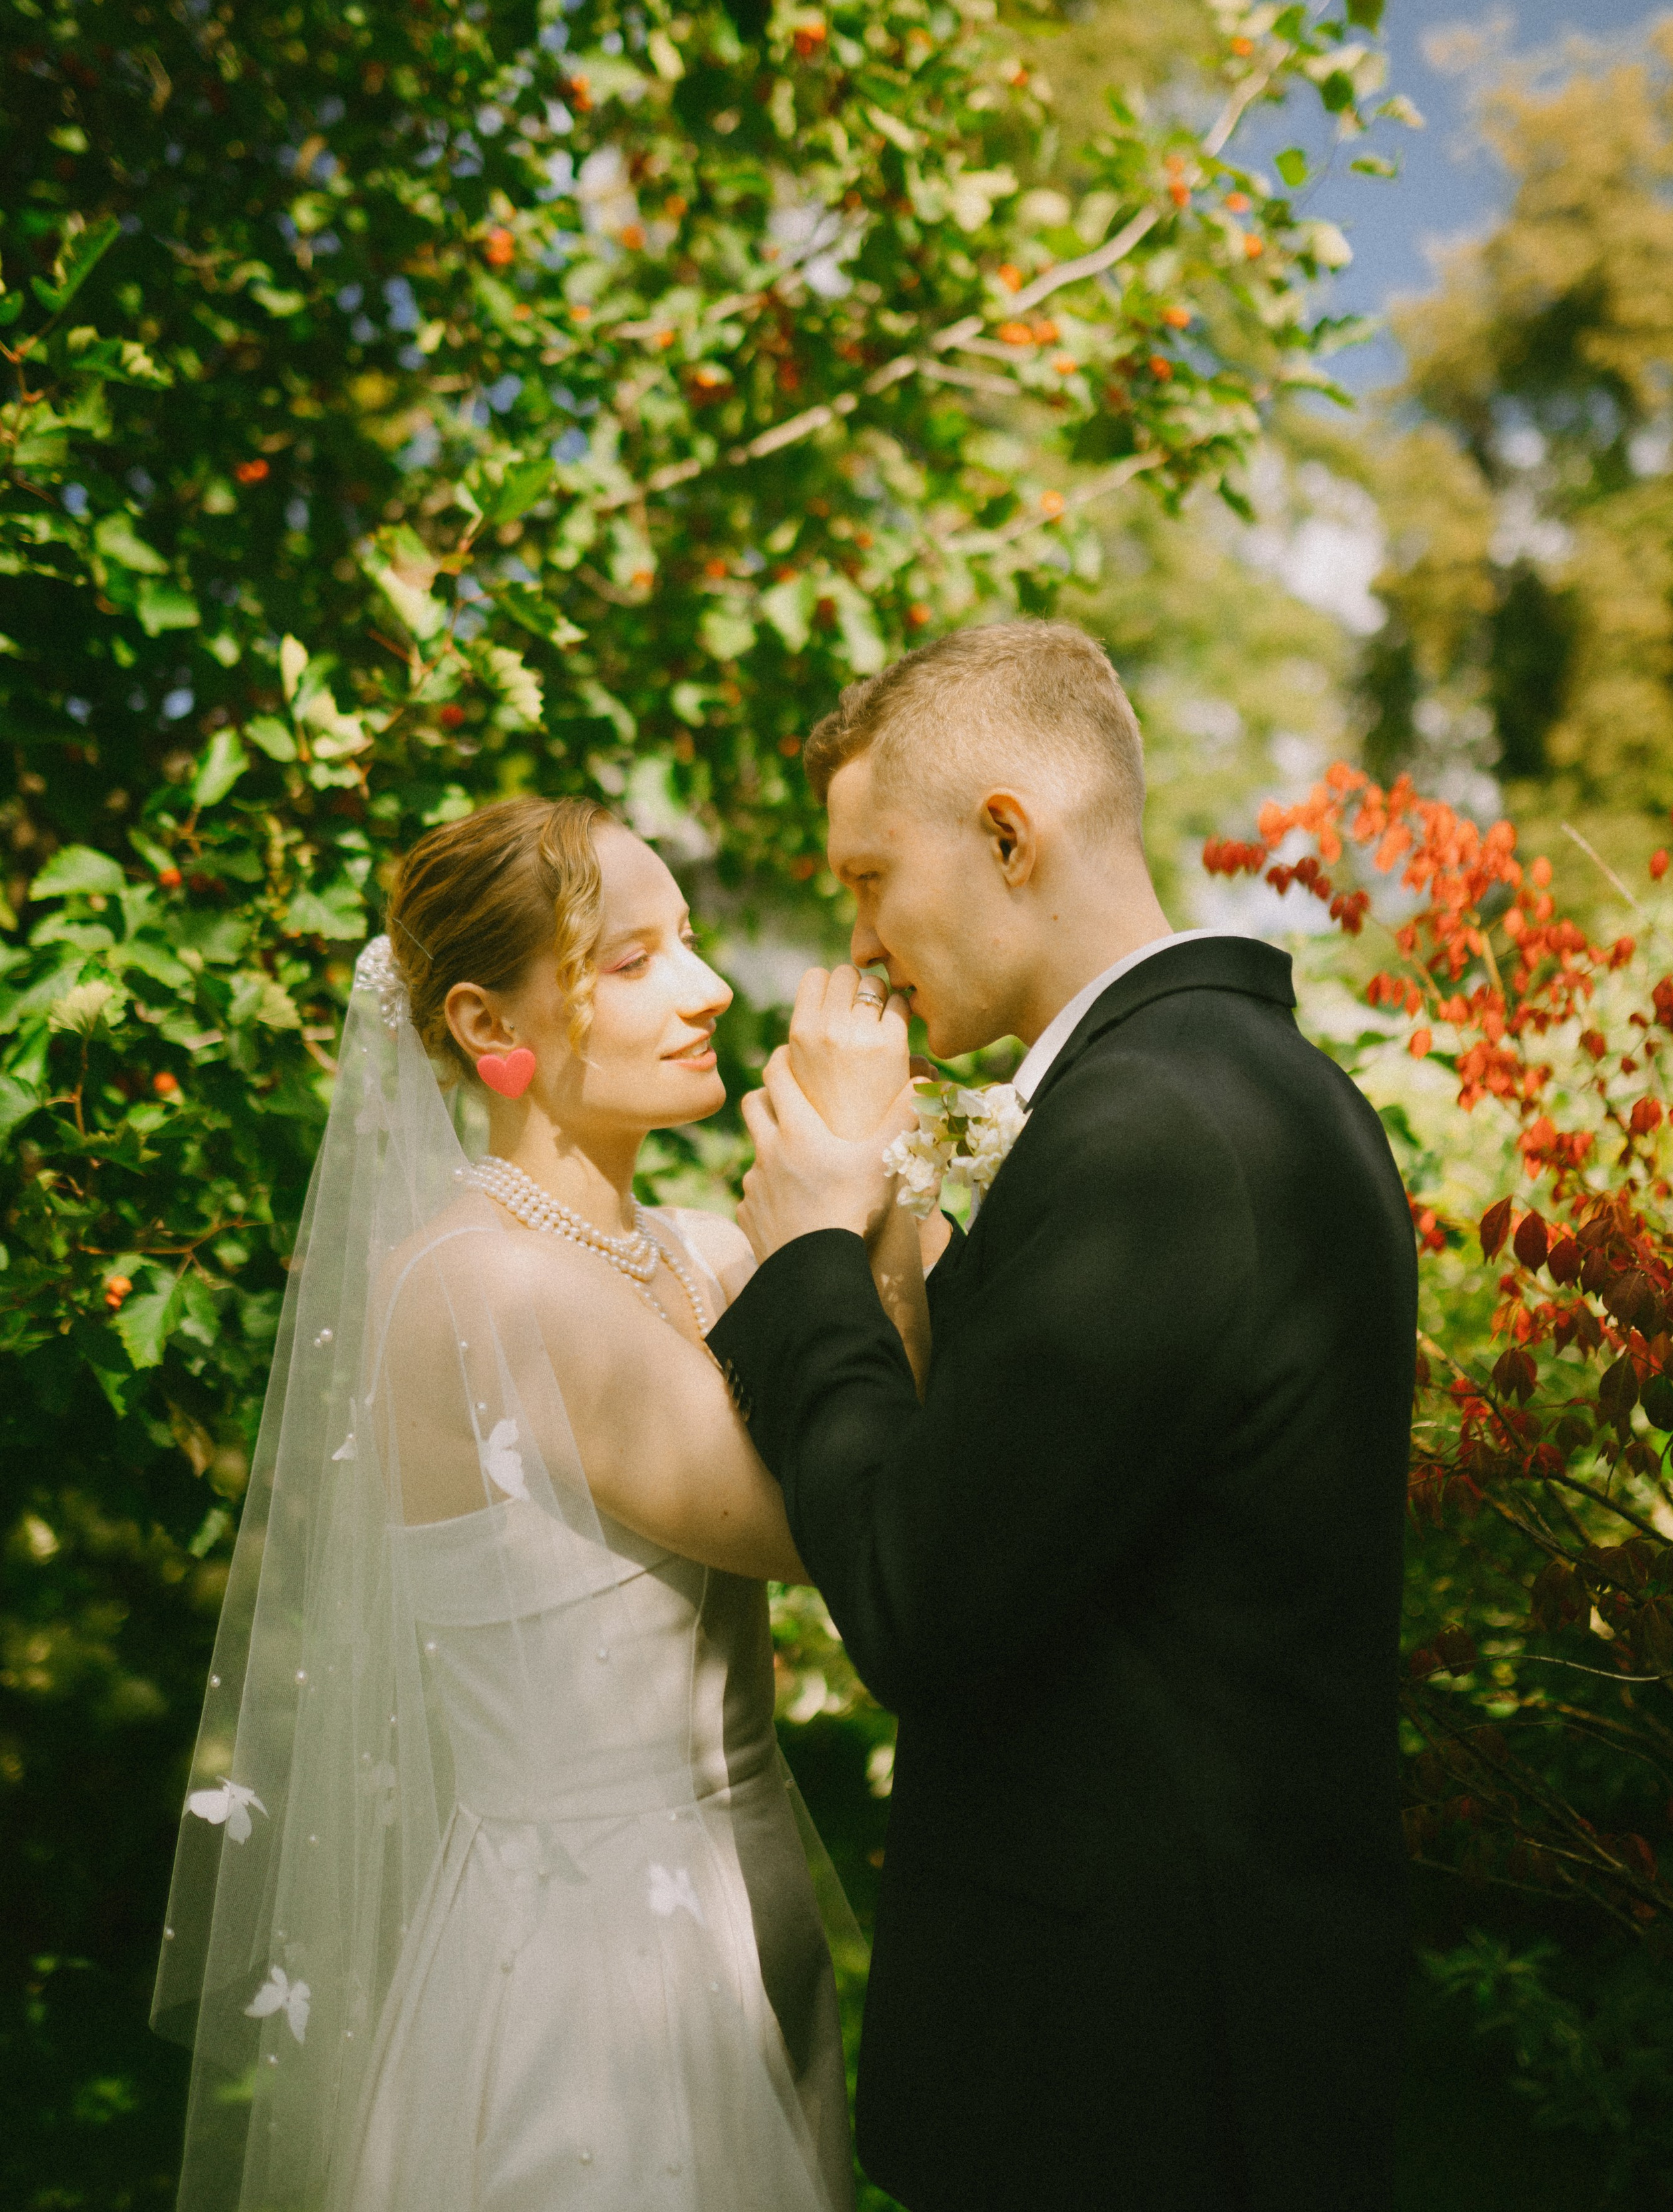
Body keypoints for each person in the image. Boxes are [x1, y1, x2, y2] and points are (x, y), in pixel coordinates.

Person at [709, 620, 1417, 2212]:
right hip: (1173, 2040)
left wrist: (813, 1249)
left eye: (869, 874)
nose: (861, 937)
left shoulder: (1155, 1131)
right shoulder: (1234, 1089)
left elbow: (914, 1594)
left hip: (1136, 2080)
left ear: (1007, 835)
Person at [154, 797, 858, 2212]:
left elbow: (877, 1424)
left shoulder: (694, 1248)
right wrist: (846, 1201)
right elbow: (816, 1517)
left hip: (756, 1892)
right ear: (491, 1025)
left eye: (692, 943)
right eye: (633, 957)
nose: (707, 984)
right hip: (605, 1965)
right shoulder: (485, 1285)